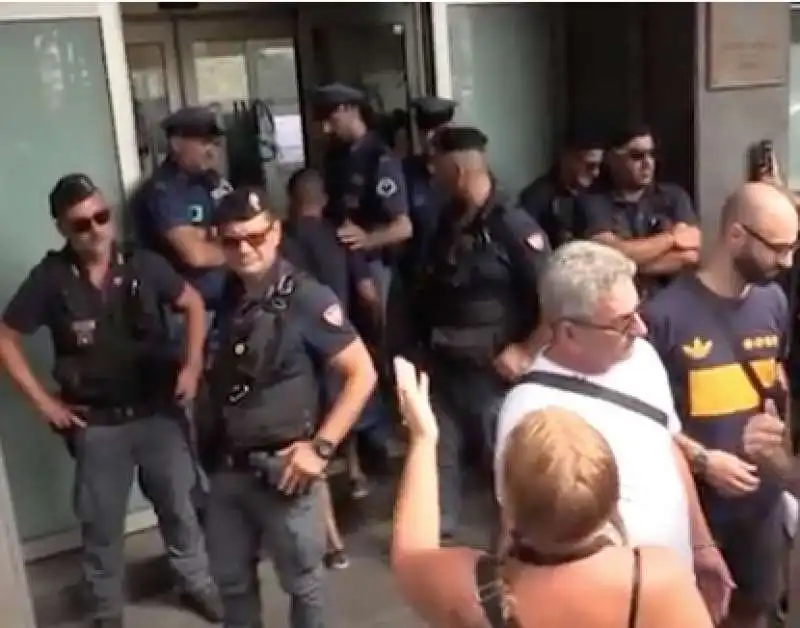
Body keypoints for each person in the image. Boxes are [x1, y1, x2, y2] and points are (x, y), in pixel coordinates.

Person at [0, 174, 221, 627]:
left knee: (179, 509)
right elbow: (5, 338)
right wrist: (44, 404)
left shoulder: (145, 264)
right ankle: (107, 609)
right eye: (82, 224)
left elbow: (193, 303)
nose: (96, 229)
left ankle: (196, 583)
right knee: (101, 527)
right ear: (62, 228)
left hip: (158, 412)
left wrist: (192, 365)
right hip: (97, 426)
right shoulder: (51, 278)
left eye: (102, 217)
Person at [494, 240, 733, 624]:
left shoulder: (642, 357)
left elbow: (665, 445)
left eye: (636, 311)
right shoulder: (528, 413)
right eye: (622, 321)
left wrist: (702, 545)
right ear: (569, 332)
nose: (639, 328)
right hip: (608, 608)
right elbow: (518, 531)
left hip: (670, 589)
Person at [390, 356, 713, 628]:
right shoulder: (654, 578)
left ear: (509, 504)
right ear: (611, 499)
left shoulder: (467, 586)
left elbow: (409, 556)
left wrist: (423, 439)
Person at [201, 186, 377, 628]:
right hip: (226, 469)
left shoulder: (306, 297)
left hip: (284, 470)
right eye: (232, 240)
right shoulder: (228, 296)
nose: (244, 249)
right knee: (233, 586)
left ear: (276, 233)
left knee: (303, 585)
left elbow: (362, 373)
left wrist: (321, 448)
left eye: (256, 237)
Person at [642, 182, 798, 628]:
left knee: (755, 612)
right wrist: (704, 461)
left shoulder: (774, 300)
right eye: (778, 249)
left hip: (761, 513)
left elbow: (775, 379)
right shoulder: (664, 317)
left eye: (794, 247)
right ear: (735, 236)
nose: (787, 261)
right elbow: (650, 420)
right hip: (696, 518)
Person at [407, 125, 551, 540]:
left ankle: (519, 551)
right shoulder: (445, 222)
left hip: (491, 373)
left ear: (456, 169)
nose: (430, 174)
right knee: (437, 457)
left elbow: (553, 297)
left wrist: (526, 350)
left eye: (436, 166)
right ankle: (435, 547)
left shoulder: (512, 224)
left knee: (504, 468)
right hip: (443, 362)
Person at [283, 167, 384, 566]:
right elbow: (368, 291)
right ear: (323, 200)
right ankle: (356, 472)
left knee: (312, 436)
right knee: (349, 407)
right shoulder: (342, 237)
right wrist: (374, 331)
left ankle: (333, 542)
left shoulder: (281, 242)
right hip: (340, 343)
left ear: (292, 202)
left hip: (300, 355)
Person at [579, 122, 701, 299]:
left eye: (652, 154)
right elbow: (608, 255)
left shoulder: (674, 196)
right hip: (615, 303)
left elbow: (690, 256)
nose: (647, 163)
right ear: (613, 160)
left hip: (671, 301)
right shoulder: (593, 201)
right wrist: (672, 238)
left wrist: (629, 260)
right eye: (637, 156)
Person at [132, 105, 231, 311]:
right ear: (176, 144)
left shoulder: (212, 181)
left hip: (226, 302)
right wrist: (235, 248)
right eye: (204, 143)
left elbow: (243, 226)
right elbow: (196, 255)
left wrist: (216, 239)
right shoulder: (163, 191)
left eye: (215, 143)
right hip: (186, 310)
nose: (212, 150)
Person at [517, 123, 605, 249]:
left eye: (599, 166)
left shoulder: (598, 192)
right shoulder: (537, 196)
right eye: (590, 166)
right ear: (566, 157)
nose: (596, 173)